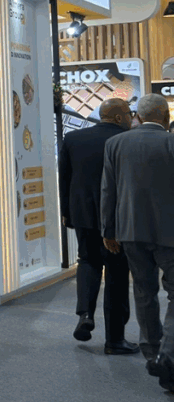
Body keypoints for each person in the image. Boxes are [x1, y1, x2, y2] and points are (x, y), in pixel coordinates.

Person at [101, 93, 174, 392]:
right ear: (166, 117)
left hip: (130, 230)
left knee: (144, 291)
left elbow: (109, 190)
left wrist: (108, 230)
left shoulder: (115, 144)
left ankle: (152, 351)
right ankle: (168, 354)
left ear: (138, 117)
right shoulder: (171, 143)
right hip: (170, 233)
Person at [58, 98, 135, 353]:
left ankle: (85, 315)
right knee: (116, 273)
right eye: (129, 113)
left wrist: (66, 213)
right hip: (117, 217)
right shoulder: (125, 140)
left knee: (88, 261)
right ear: (118, 117)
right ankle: (115, 339)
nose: (131, 118)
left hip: (83, 215)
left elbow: (65, 178)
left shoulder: (73, 138)